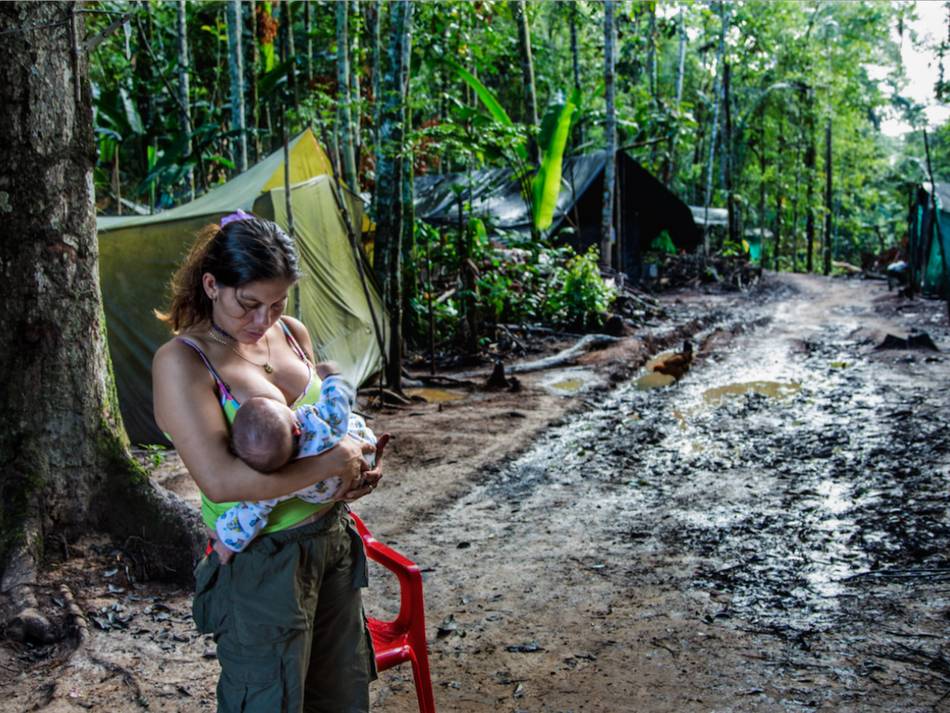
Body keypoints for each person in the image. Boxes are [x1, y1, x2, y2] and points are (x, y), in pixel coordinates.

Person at [151, 210, 382, 712]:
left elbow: (326, 423)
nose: (263, 321)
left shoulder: (293, 334)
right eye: (248, 304)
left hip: (332, 542)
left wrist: (353, 470)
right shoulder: (184, 362)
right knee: (267, 700)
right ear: (212, 285)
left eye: (277, 304)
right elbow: (220, 481)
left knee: (340, 693)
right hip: (263, 561)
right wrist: (331, 463)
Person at [213, 361, 380, 560]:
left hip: (326, 494)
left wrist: (227, 542)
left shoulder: (281, 480)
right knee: (345, 421)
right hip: (362, 455)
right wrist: (333, 376)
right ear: (296, 428)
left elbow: (251, 512)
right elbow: (338, 403)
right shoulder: (316, 425)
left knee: (254, 507)